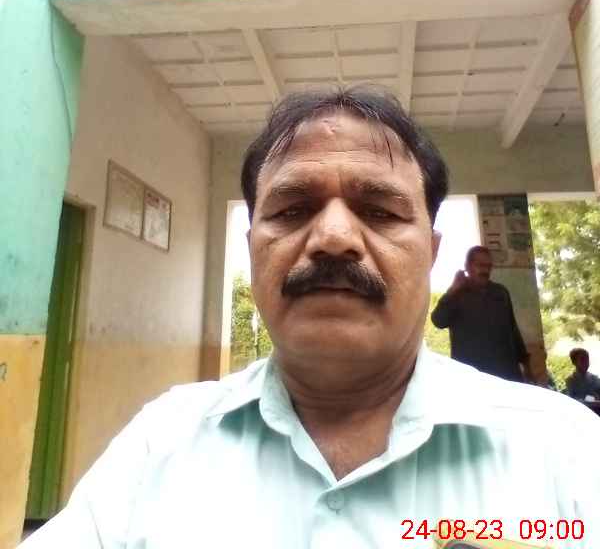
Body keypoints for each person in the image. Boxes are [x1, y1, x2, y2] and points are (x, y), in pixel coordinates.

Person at [21, 87, 600, 548]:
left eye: (380, 211)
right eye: (293, 209)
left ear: (430, 251)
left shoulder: (563, 449)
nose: (333, 237)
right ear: (253, 249)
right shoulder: (161, 441)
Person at [430, 245, 529, 382]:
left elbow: (513, 331)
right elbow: (438, 321)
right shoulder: (456, 295)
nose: (485, 271)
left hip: (506, 373)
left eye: (488, 266)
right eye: (481, 265)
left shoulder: (500, 293)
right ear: (467, 266)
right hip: (472, 377)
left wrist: (527, 365)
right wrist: (452, 291)